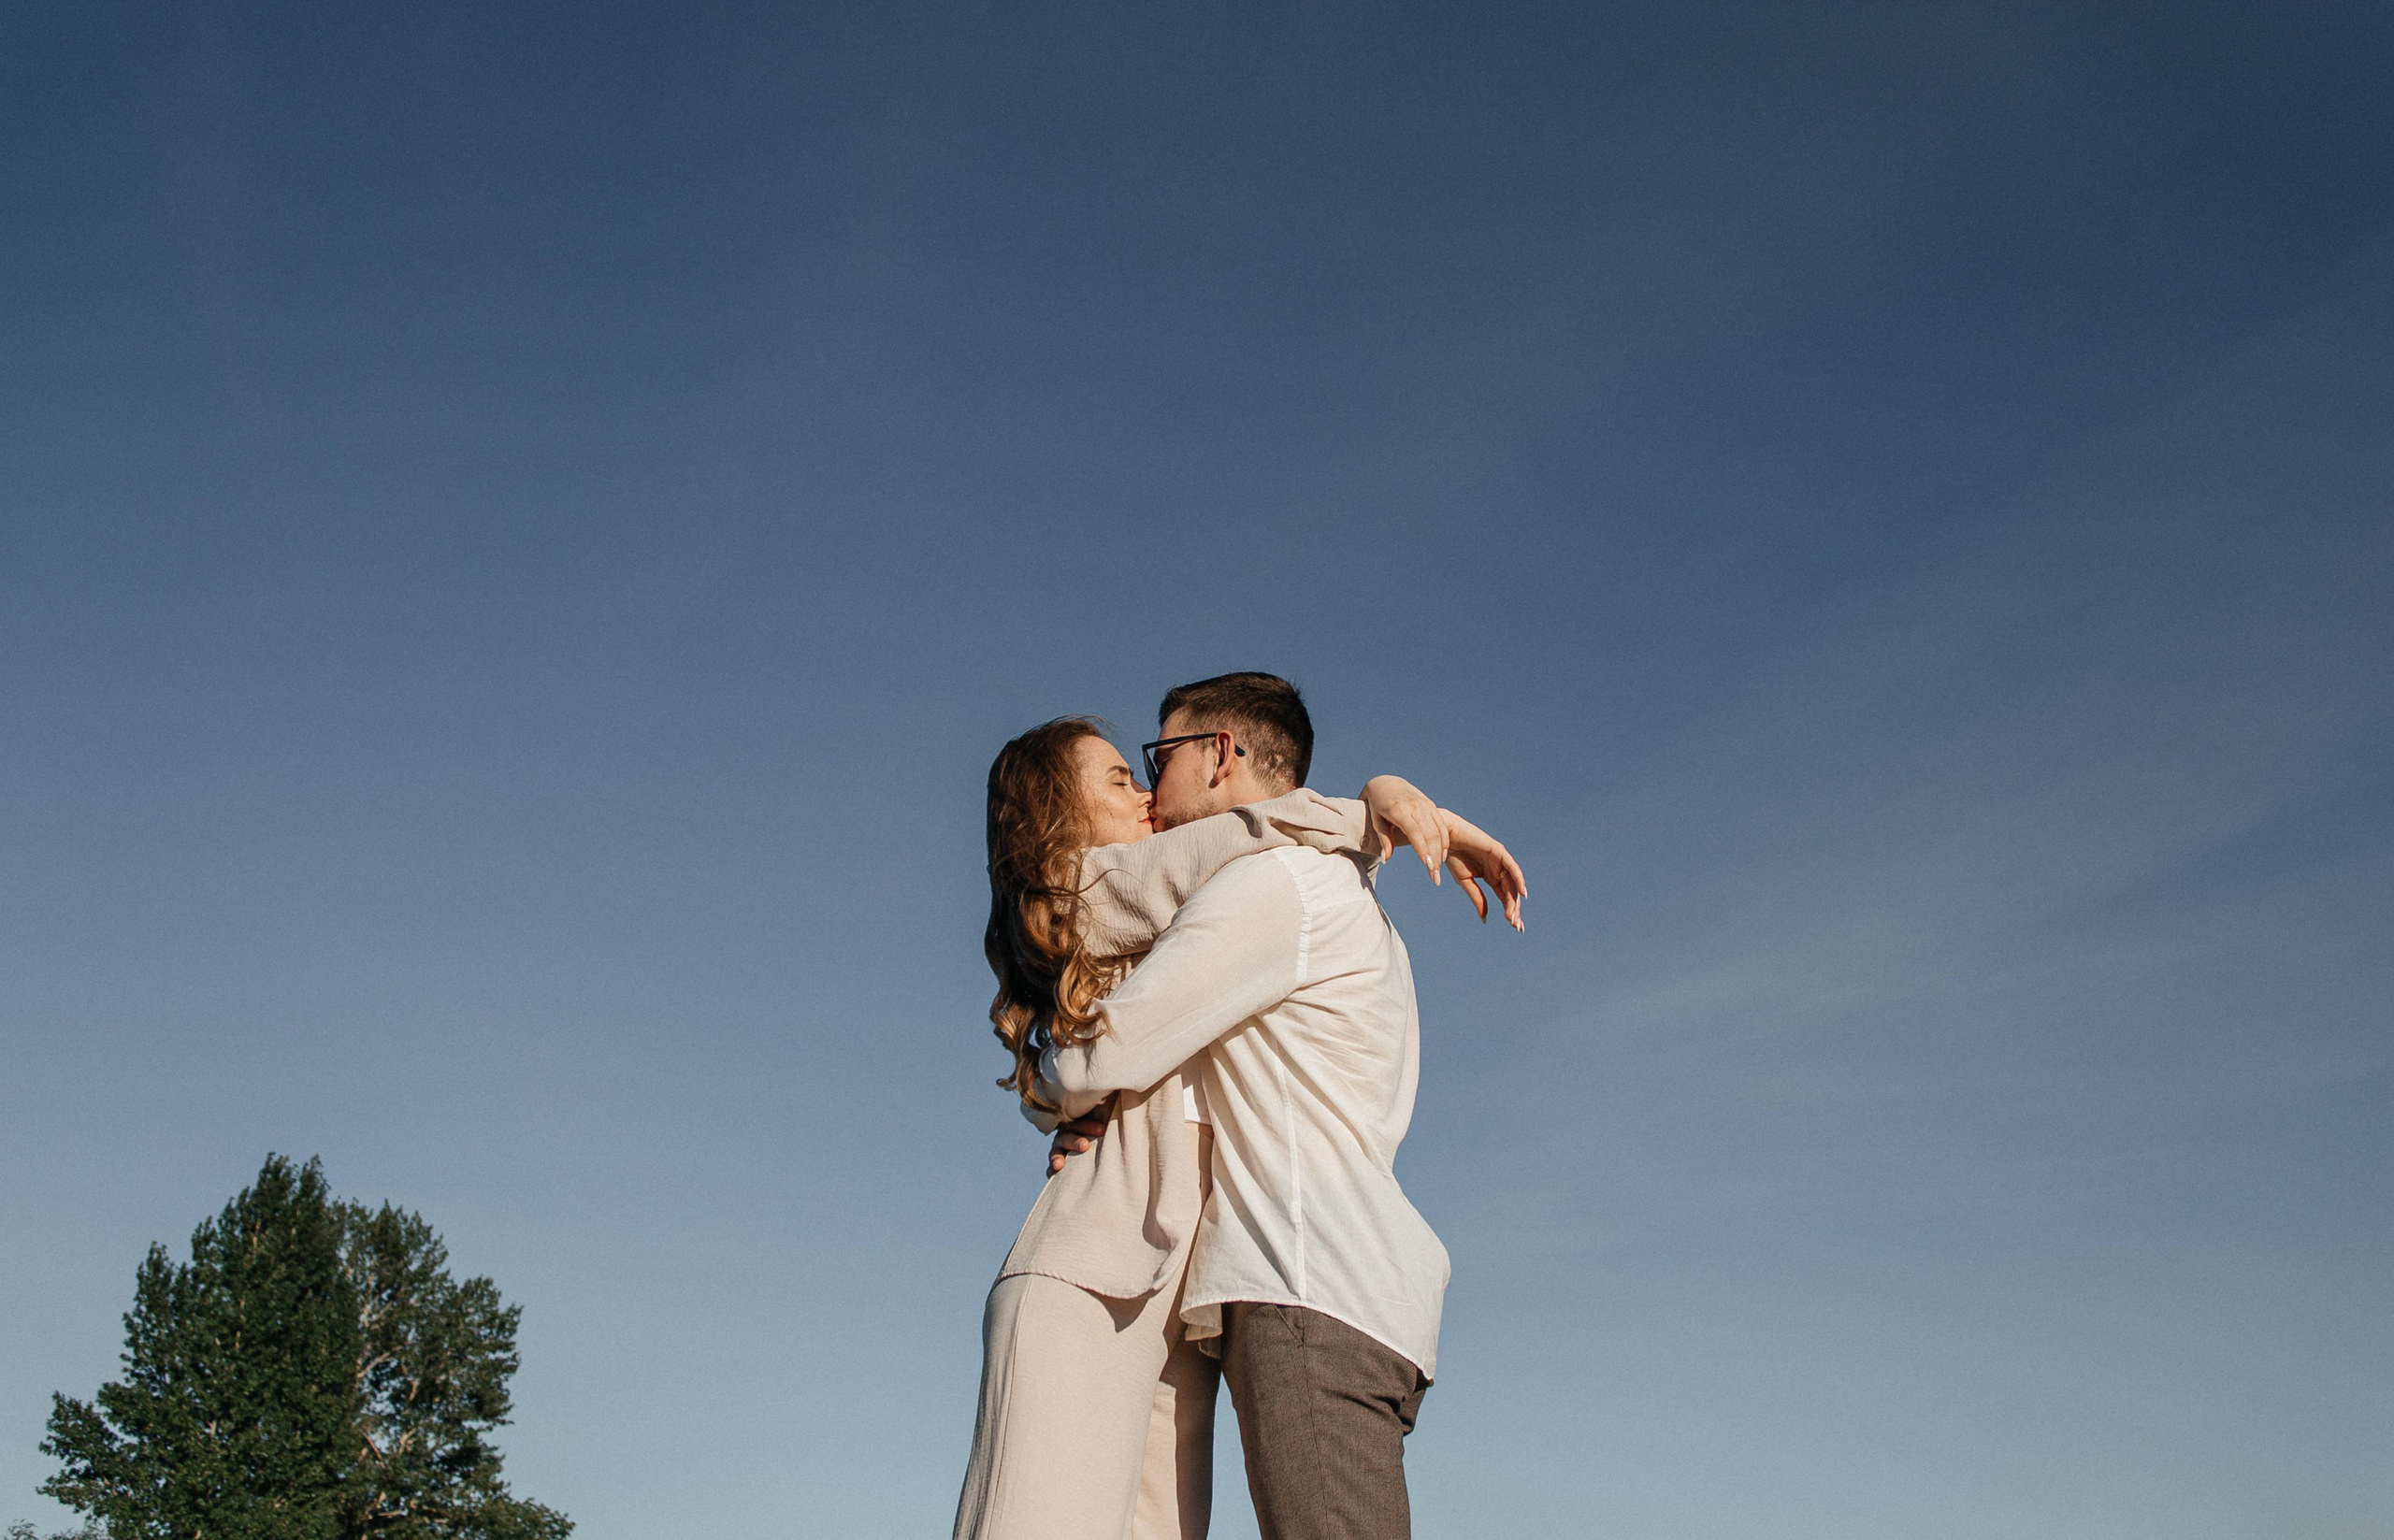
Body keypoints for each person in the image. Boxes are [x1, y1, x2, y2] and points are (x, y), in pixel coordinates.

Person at [954, 700, 1521, 1540]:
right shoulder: (1109, 887)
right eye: (1121, 776)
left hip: (1182, 1307)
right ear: (1059, 816)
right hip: (1097, 1273)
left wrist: (1384, 802)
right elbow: (1241, 843)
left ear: (1218, 751)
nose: (1148, 790)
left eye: (1150, 762)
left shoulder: (1223, 901)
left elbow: (1250, 840)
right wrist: (1376, 812)